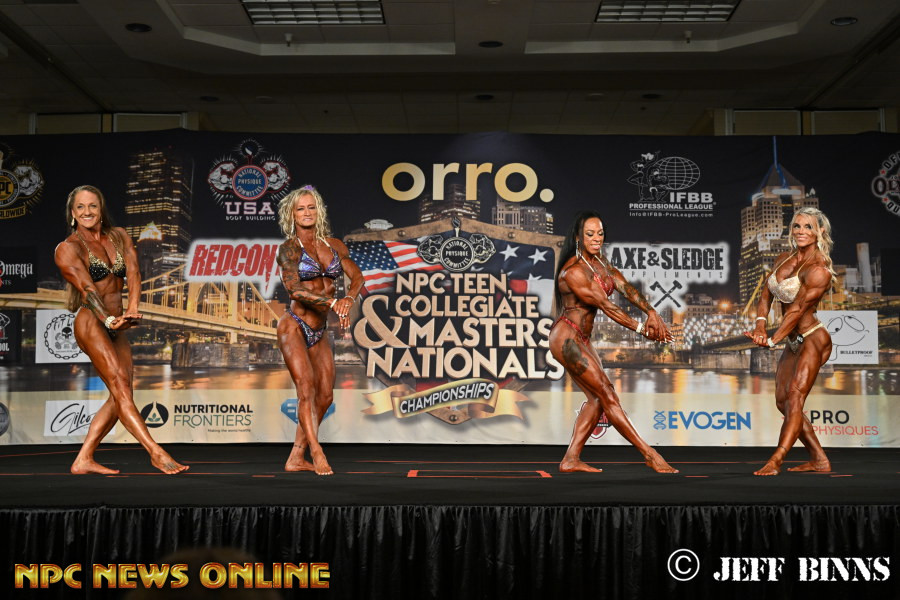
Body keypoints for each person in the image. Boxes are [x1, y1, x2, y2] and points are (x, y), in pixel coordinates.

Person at [54, 185, 187, 475]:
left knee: (121, 393)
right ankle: (155, 452)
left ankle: (84, 459)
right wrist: (106, 319)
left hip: (117, 322)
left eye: (92, 205)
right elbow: (88, 290)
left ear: (101, 209)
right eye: (80, 207)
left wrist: (132, 308)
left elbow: (134, 272)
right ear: (72, 213)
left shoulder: (119, 235)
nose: (87, 212)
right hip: (92, 321)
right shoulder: (68, 248)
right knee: (120, 387)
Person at [550, 211, 678, 474]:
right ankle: (650, 455)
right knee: (607, 394)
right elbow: (607, 306)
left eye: (600, 233)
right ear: (578, 237)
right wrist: (642, 328)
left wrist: (651, 312)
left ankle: (571, 459)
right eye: (590, 234)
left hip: (582, 338)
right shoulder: (574, 272)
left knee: (597, 400)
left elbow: (626, 288)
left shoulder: (600, 264)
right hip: (567, 338)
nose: (596, 238)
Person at [276, 185, 363, 475]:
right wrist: (333, 302)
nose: (306, 212)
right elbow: (294, 289)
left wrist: (349, 297)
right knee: (306, 390)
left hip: (319, 329)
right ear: (292, 214)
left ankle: (295, 456)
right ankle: (316, 451)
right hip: (294, 325)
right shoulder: (288, 249)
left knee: (325, 397)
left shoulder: (334, 245)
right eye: (300, 208)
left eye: (311, 207)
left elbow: (357, 276)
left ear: (319, 211)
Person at [744, 207, 835, 476]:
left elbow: (796, 311)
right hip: (792, 340)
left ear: (820, 231)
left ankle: (776, 459)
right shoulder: (784, 258)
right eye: (797, 226)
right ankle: (819, 460)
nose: (801, 231)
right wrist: (760, 325)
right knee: (782, 402)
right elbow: (766, 294)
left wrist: (772, 340)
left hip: (813, 338)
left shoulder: (819, 270)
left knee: (795, 398)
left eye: (808, 226)